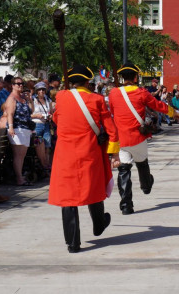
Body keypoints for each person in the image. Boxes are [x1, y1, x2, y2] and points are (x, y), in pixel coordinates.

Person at [48, 65, 120, 253]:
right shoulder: (96, 99)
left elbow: (56, 119)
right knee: (93, 188)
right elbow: (111, 129)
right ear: (88, 82)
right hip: (89, 152)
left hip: (65, 154)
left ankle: (73, 244)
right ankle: (99, 224)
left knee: (67, 197)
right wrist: (114, 152)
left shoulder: (61, 97)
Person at [108, 62, 179, 215]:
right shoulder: (141, 92)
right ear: (135, 77)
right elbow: (157, 105)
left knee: (124, 170)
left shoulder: (113, 93)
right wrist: (174, 113)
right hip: (138, 136)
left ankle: (126, 205)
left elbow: (113, 113)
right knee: (142, 163)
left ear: (122, 78)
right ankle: (146, 186)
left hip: (121, 138)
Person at [4, 77, 34, 186]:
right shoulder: (12, 98)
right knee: (18, 155)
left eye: (22, 84)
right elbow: (10, 114)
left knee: (22, 155)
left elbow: (31, 110)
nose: (21, 85)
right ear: (13, 85)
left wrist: (29, 99)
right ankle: (19, 178)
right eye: (18, 84)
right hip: (17, 128)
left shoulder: (23, 97)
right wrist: (11, 127)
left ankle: (20, 176)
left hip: (25, 128)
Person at [31, 81, 53, 172]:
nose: (41, 91)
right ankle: (42, 164)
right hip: (36, 125)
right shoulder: (33, 100)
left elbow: (51, 112)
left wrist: (51, 116)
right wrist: (36, 115)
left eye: (43, 89)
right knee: (38, 144)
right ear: (36, 91)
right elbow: (29, 114)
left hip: (46, 124)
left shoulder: (48, 100)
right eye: (39, 90)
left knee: (47, 145)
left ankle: (47, 164)